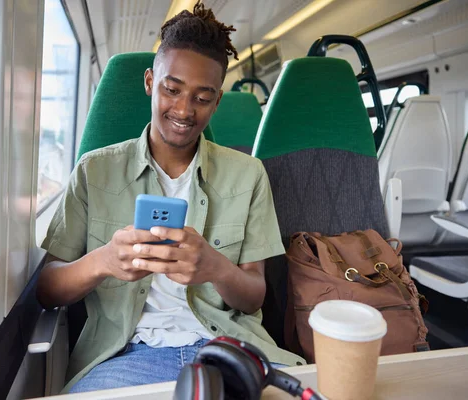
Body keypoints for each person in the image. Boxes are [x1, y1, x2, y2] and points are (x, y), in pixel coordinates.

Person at [37, 0, 305, 394]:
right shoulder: (94, 172)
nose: (184, 109)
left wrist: (214, 267)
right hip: (127, 356)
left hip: (228, 348)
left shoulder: (248, 174)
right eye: (172, 89)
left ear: (217, 100)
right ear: (150, 82)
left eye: (202, 97)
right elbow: (47, 288)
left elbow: (253, 297)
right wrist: (105, 260)